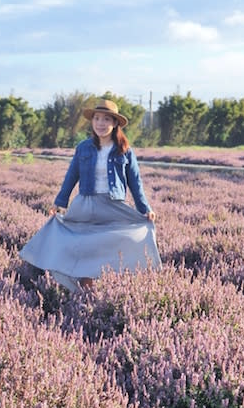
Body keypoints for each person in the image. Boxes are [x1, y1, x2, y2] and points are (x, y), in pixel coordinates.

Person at [19, 99, 160, 291]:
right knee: (80, 244)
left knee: (106, 247)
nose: (101, 123)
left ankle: (99, 289)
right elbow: (72, 176)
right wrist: (60, 202)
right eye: (97, 119)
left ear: (115, 123)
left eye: (106, 119)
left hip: (112, 206)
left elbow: (135, 183)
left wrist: (145, 209)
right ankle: (83, 290)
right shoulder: (83, 148)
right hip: (85, 204)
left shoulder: (125, 151)